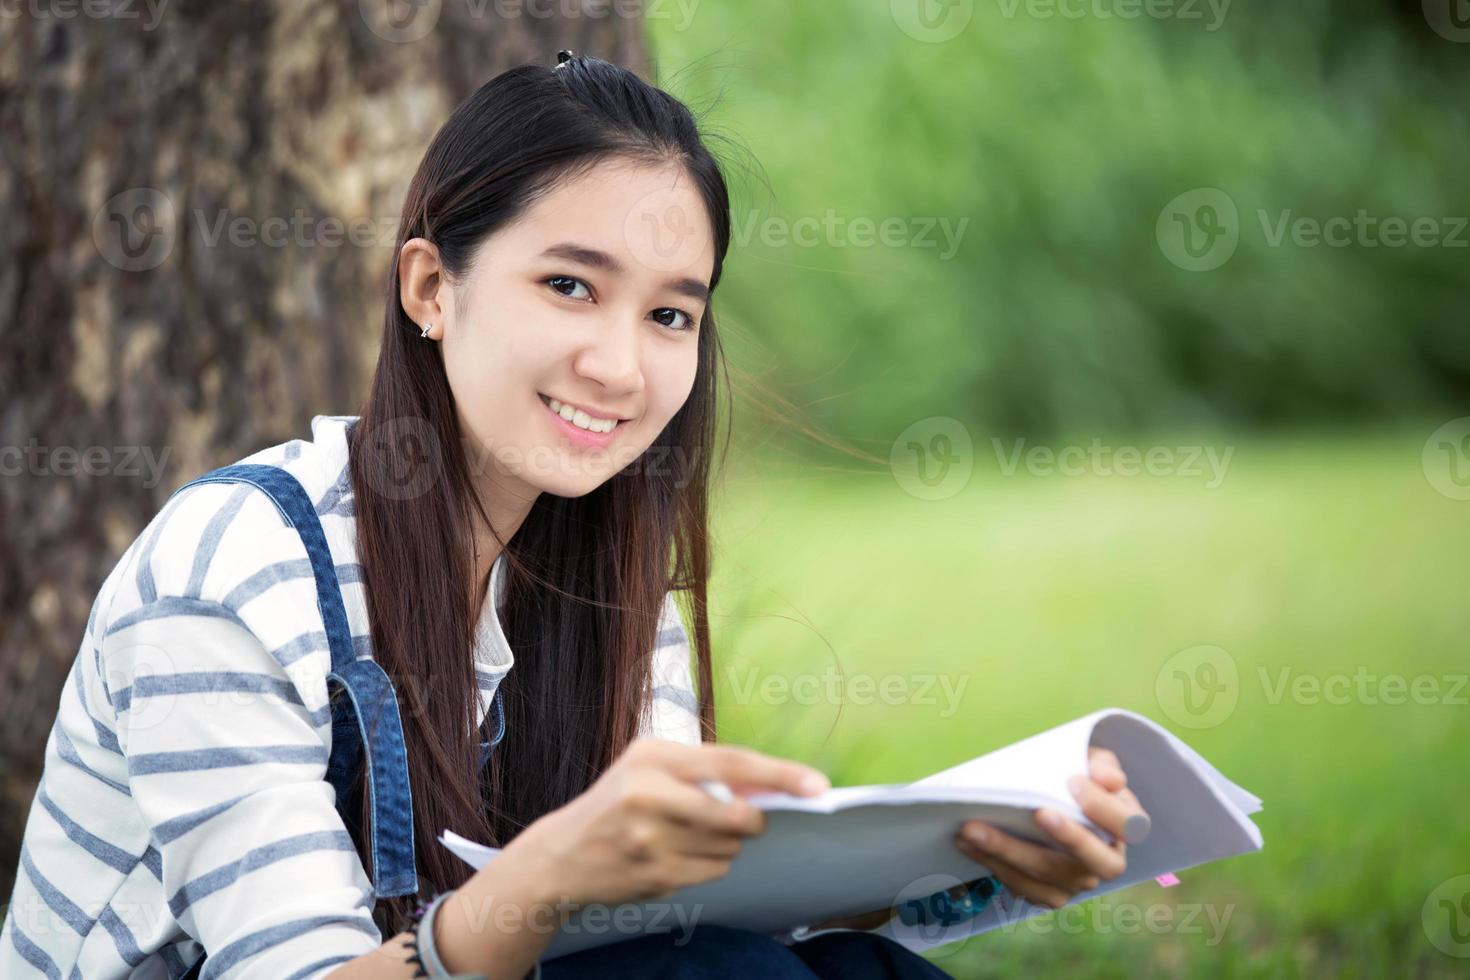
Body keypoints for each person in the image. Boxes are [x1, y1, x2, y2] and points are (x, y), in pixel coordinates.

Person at [0, 52, 1148, 979]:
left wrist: (980, 857)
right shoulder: (238, 570)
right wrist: (538, 881)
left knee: (850, 967)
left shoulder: (604, 568)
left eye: (671, 315)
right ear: (431, 288)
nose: (621, 363)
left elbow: (700, 915)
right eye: (569, 285)